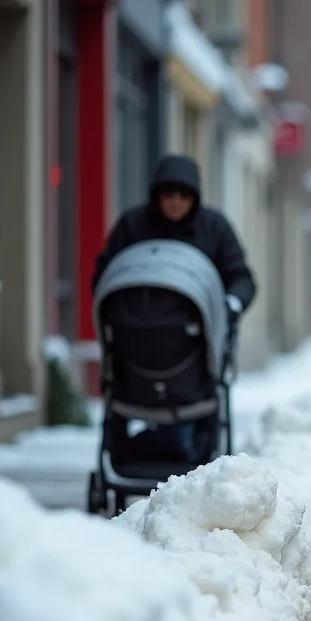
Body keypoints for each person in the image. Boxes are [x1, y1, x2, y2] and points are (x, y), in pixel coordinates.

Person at [91, 154, 257, 461]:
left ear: (195, 197)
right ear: (156, 195)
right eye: (168, 194)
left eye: (184, 195)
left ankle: (187, 446)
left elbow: (241, 277)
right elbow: (105, 273)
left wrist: (231, 303)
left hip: (195, 356)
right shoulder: (133, 225)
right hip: (135, 351)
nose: (176, 202)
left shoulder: (213, 229)